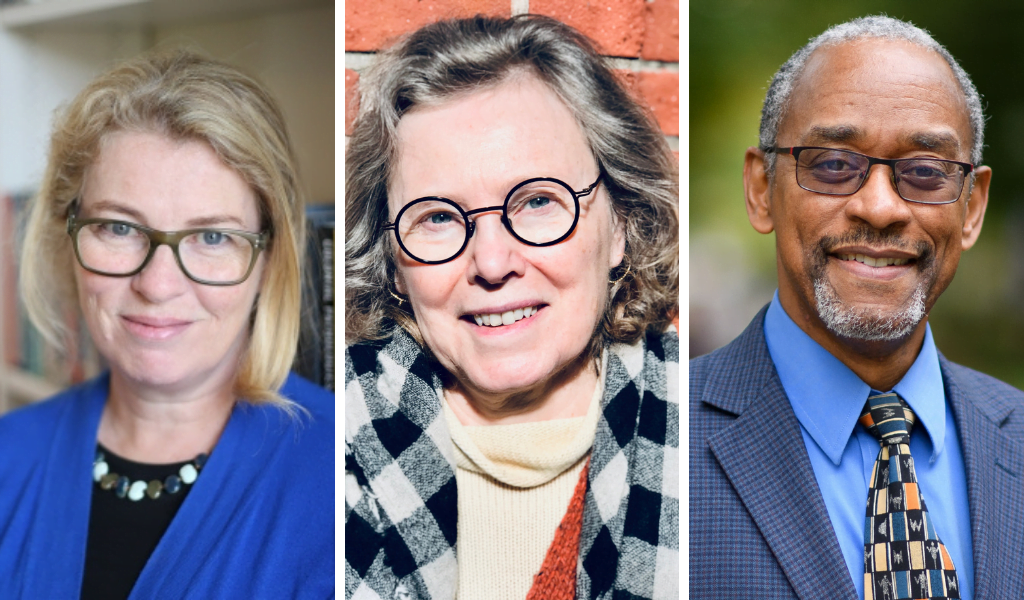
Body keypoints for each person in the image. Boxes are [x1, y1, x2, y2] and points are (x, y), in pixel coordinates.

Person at [344, 14, 679, 600]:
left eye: (537, 202)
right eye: (438, 217)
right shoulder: (335, 438)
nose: (493, 263)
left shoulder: (692, 421)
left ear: (621, 224)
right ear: (393, 260)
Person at [690, 14, 1024, 599]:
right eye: (834, 165)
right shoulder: (654, 438)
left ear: (971, 209)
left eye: (925, 172)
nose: (879, 207)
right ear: (761, 189)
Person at [0, 50, 333, 599]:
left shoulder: (347, 476)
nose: (156, 285)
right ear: (69, 236)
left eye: (212, 237)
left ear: (270, 260)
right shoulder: (8, 453)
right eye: (118, 228)